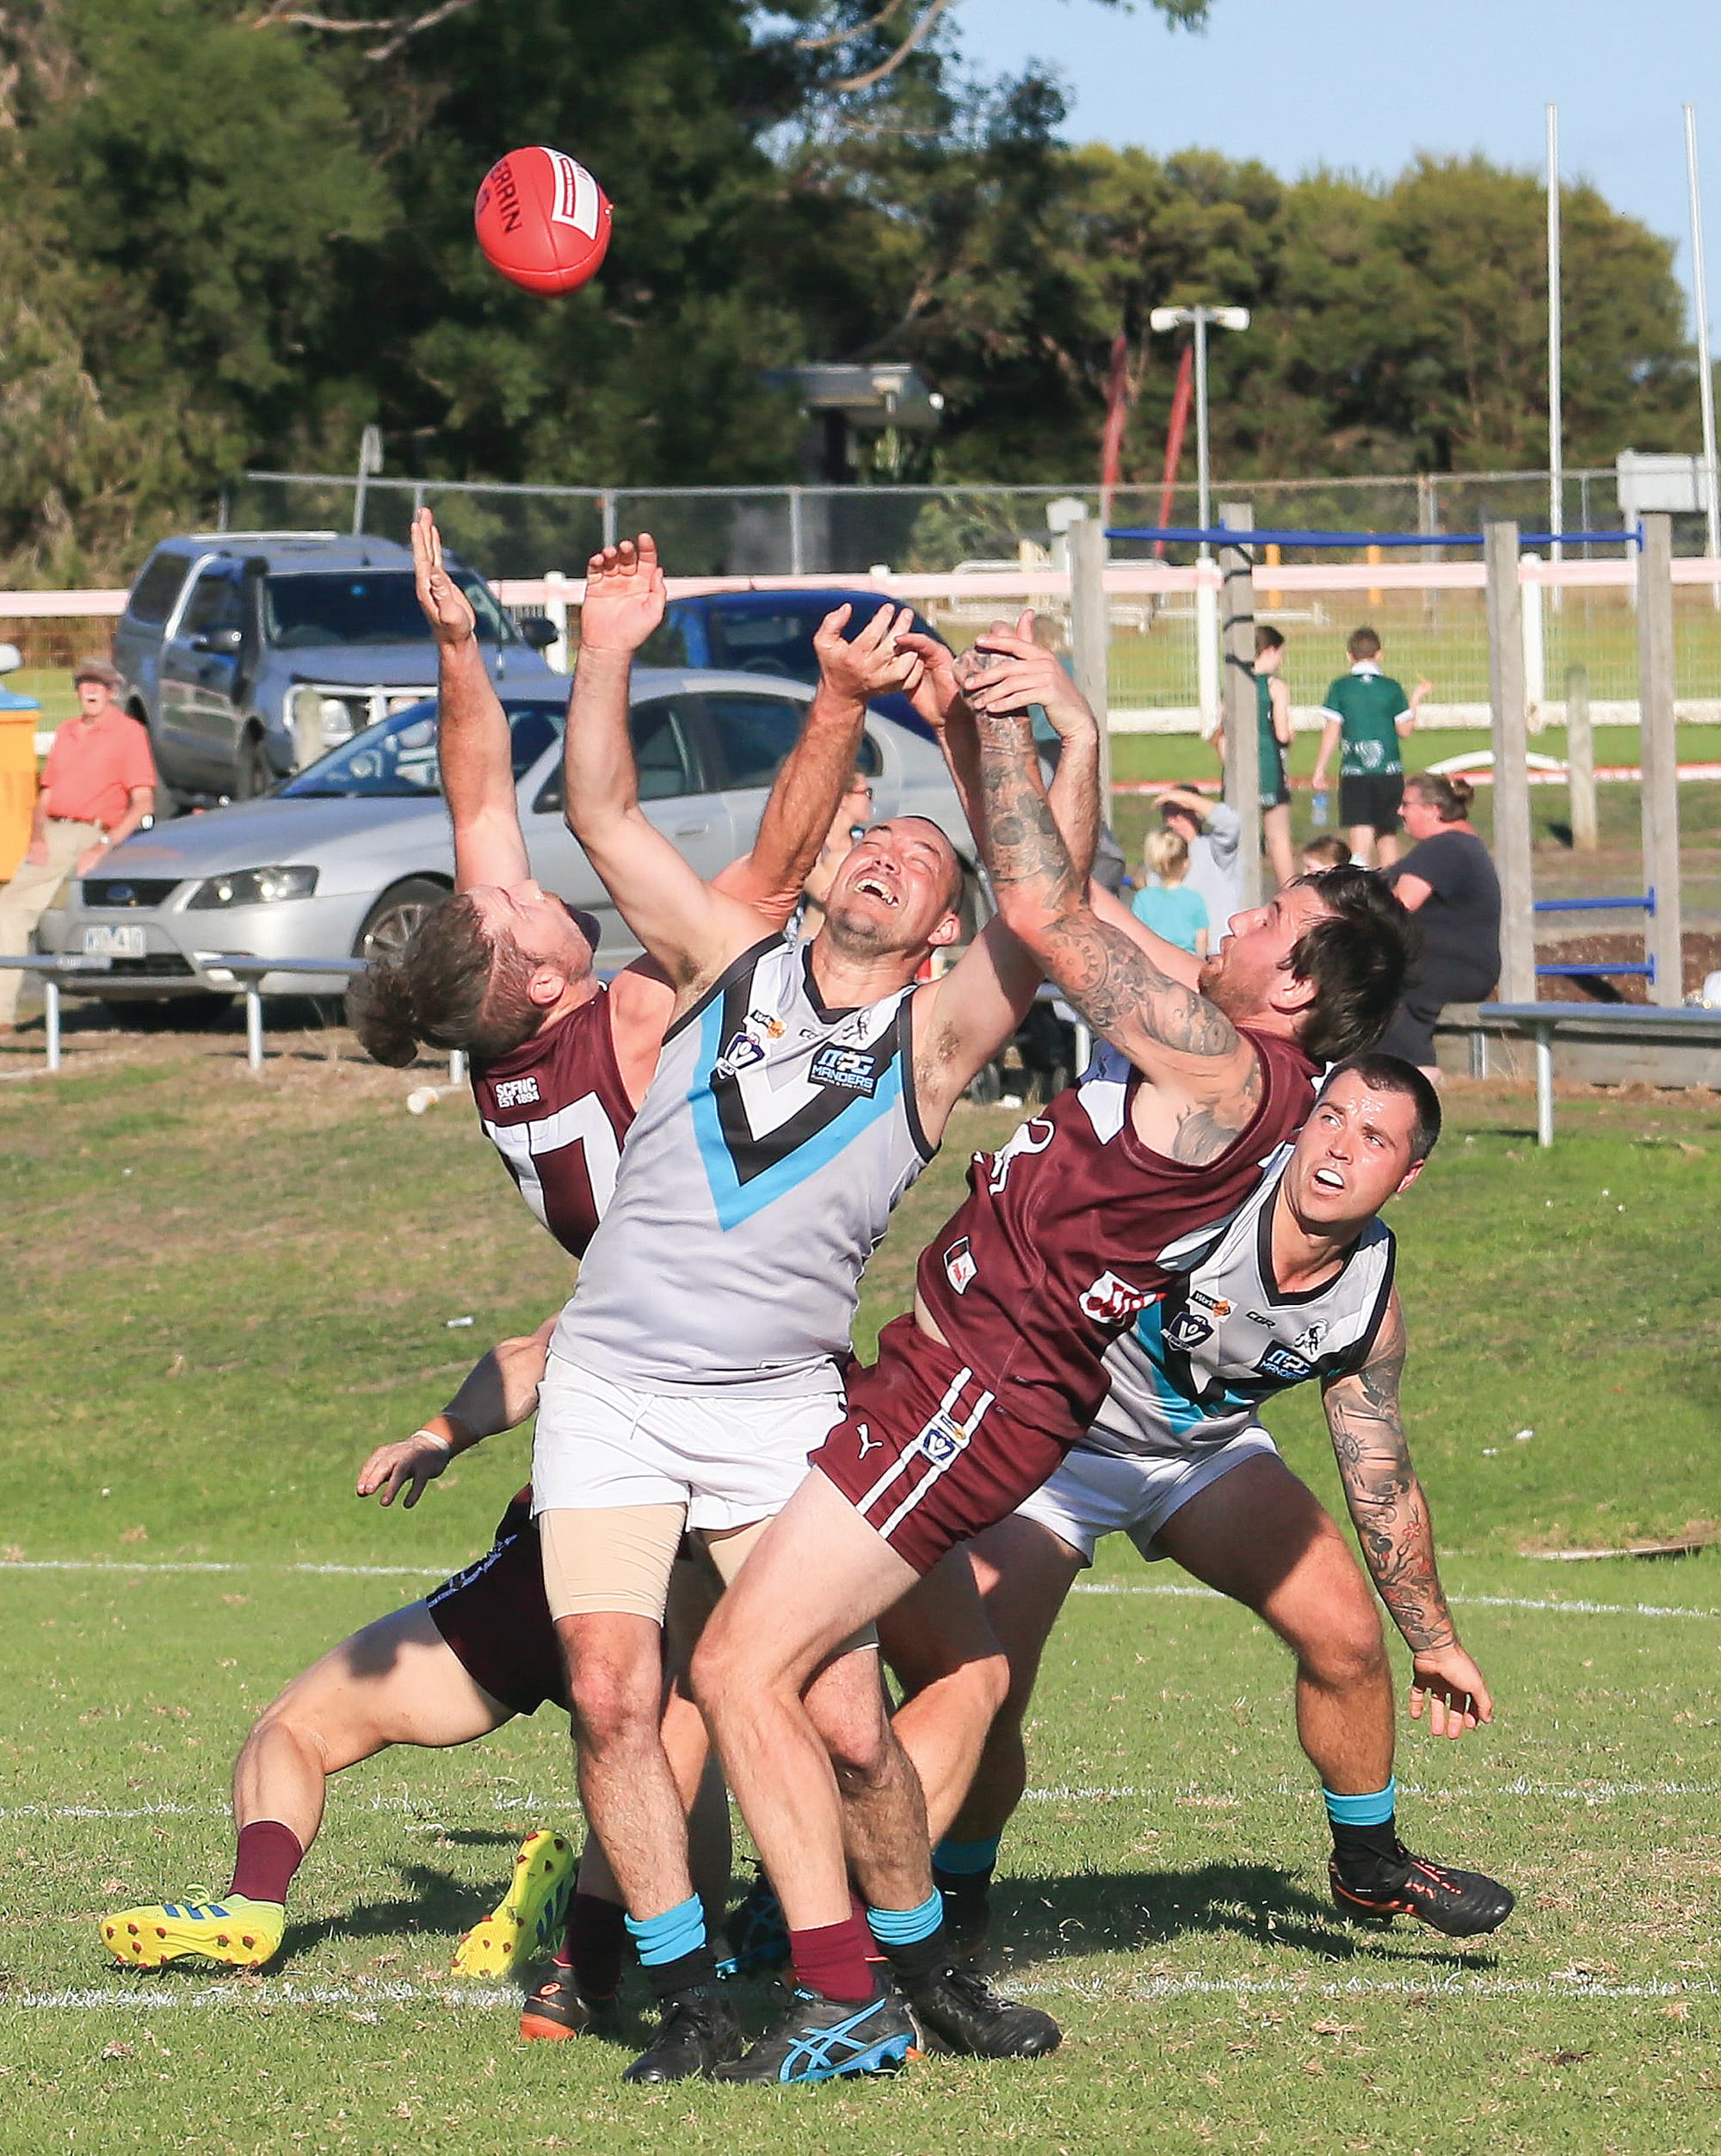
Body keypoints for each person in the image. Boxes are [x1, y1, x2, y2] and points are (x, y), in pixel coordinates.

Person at [108, 508, 883, 2031]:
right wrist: (834, 713)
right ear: (535, 974)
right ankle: (685, 1949)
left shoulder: (504, 1050)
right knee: (717, 1711)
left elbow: (477, 805)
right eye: (522, 904)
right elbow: (769, 885)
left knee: (576, 1709)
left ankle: (457, 1926)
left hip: (604, 1402)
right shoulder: (638, 1025)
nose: (520, 877)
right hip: (707, 1401)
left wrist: (460, 648)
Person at [693, 668, 1414, 2087]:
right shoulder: (1216, 1034)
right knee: (841, 1693)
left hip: (976, 1394)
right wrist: (990, 725)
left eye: (1270, 919)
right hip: (950, 1380)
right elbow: (1058, 888)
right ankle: (917, 1963)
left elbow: (1039, 909)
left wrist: (1011, 728)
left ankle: (834, 1980)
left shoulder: (1228, 1066)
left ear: (1298, 987)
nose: (1240, 914)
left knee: (741, 1668)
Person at [527, 558, 1097, 2084]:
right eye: (878, 834)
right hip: (614, 1389)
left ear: (934, 939)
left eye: (926, 857)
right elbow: (599, 816)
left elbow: (1043, 907)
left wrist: (1003, 750)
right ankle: (695, 1991)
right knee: (609, 1690)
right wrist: (607, 655)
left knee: (849, 1721)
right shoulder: (728, 961)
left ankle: (921, 1964)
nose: (891, 851)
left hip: (781, 1404)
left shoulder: (931, 1043)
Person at [881, 1055, 1513, 1959]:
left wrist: (1436, 1639)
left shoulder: (1365, 1294)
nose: (1335, 1148)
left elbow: (1380, 1473)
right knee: (986, 1685)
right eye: (1328, 1117)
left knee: (1342, 1632)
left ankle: (1367, 1865)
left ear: (1406, 1176)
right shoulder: (1211, 1189)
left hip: (1197, 1454)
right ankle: (954, 1898)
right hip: (1054, 1450)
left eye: (1371, 1138)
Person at [0, 658, 155, 1033]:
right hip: (54, 831)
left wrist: (104, 845)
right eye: (85, 683)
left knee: (18, 912)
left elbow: (143, 802)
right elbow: (46, 795)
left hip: (92, 830)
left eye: (99, 685)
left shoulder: (128, 733)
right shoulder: (67, 732)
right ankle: (5, 1013)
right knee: (13, 911)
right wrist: (37, 837)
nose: (91, 691)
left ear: (112, 692)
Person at [1377, 772, 1502, 1075]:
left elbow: (1400, 905)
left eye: (1407, 804)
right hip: (1462, 965)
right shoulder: (1458, 845)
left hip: (1451, 968)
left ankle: (1417, 1073)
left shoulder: (1446, 847)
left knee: (1380, 986)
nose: (1399, 811)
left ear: (1433, 810)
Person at [1309, 628, 1432, 869]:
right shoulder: (1391, 687)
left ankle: (1361, 896)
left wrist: (1319, 770)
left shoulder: (1341, 687)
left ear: (1349, 656)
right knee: (1387, 837)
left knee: (1360, 840)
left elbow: (1332, 730)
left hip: (1356, 772)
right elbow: (1405, 730)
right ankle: (1392, 897)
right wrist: (1416, 697)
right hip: (1389, 771)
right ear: (1380, 655)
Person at [1218, 624, 1296, 890]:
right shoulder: (1275, 686)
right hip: (1269, 764)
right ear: (1269, 650)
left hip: (1239, 767)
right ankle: (1289, 891)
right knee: (1278, 837)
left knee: (1236, 834)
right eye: (1280, 654)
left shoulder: (1233, 685)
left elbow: (1222, 733)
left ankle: (1234, 891)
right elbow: (1282, 733)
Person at [796, 767, 874, 939]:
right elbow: (824, 892)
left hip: (852, 934)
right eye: (866, 792)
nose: (871, 799)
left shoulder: (864, 840)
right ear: (843, 799)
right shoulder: (809, 843)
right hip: (809, 935)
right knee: (840, 861)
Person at [1155, 782, 1241, 930]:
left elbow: (1231, 823)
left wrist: (1185, 798)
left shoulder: (1214, 848)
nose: (1173, 821)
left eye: (1180, 813)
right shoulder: (1160, 854)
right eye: (1168, 814)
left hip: (1214, 947)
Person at [1132, 827, 1208, 956]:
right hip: (1186, 962)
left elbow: (1136, 935)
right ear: (1186, 863)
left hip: (1155, 963)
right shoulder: (1194, 899)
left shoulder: (1143, 898)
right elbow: (1202, 940)